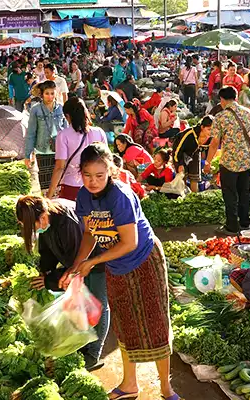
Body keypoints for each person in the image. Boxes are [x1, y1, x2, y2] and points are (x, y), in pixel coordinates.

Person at [58, 142, 176, 400]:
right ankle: (129, 384)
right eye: (87, 175)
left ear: (110, 171)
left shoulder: (120, 195)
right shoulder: (83, 196)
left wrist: (93, 262)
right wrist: (78, 265)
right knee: (124, 324)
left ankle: (166, 389)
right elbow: (90, 233)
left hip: (144, 260)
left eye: (99, 175)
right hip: (116, 265)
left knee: (156, 323)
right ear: (81, 174)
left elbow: (130, 242)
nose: (93, 181)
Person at [15, 195, 110, 370]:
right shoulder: (47, 220)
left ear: (42, 217)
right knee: (80, 302)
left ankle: (94, 353)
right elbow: (47, 250)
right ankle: (83, 342)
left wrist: (51, 280)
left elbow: (76, 262)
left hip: (97, 260)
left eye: (32, 226)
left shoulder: (67, 222)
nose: (32, 230)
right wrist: (46, 271)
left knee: (98, 304)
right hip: (77, 263)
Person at [204, 86, 250, 236]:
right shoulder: (248, 113)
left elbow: (215, 142)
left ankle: (232, 225)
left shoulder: (221, 117)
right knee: (244, 192)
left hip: (228, 162)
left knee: (230, 194)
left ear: (222, 100)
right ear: (235, 97)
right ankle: (244, 222)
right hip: (246, 161)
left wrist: (208, 162)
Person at [48, 97, 108, 200]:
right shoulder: (99, 132)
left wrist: (49, 195)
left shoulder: (63, 135)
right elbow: (106, 161)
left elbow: (60, 167)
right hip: (98, 186)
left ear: (67, 116)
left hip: (72, 186)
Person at [25, 80, 67, 173]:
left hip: (60, 150)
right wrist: (27, 155)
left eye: (52, 93)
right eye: (47, 93)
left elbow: (67, 131)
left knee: (59, 182)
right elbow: (31, 133)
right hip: (42, 150)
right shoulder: (35, 109)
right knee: (45, 183)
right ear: (42, 94)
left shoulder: (61, 108)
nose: (50, 96)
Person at [172, 116, 213, 193]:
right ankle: (182, 196)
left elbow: (206, 150)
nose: (211, 132)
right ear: (202, 127)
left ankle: (194, 196)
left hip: (195, 152)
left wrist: (207, 163)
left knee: (195, 177)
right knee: (182, 175)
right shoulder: (189, 134)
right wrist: (179, 164)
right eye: (209, 129)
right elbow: (178, 149)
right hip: (181, 152)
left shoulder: (211, 138)